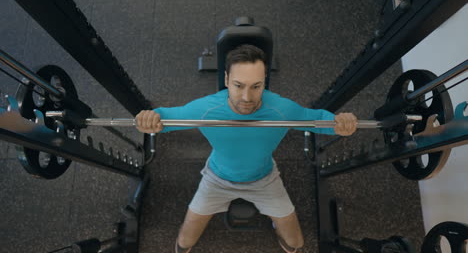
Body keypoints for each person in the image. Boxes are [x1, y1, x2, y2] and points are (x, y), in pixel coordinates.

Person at [136, 44, 357, 253]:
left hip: (264, 179)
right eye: (238, 85)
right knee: (184, 240)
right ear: (226, 79)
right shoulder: (207, 108)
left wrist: (340, 124)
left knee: (295, 243)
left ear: (265, 82)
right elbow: (168, 118)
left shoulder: (281, 110)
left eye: (256, 86)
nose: (246, 97)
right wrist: (148, 119)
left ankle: (277, 225)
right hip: (216, 179)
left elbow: (316, 119)